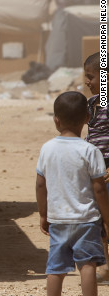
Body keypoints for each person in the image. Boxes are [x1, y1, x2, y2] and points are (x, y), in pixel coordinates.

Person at [36, 91, 109, 296]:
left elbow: (41, 185)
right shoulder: (90, 150)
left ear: (56, 120)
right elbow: (99, 188)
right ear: (87, 118)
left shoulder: (47, 149)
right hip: (87, 219)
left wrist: (43, 214)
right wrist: (107, 218)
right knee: (87, 265)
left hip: (58, 219)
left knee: (56, 269)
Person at [83, 52, 109, 285]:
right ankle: (103, 265)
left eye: (91, 76)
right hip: (95, 173)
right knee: (98, 220)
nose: (86, 82)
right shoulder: (91, 104)